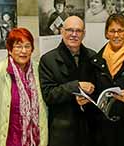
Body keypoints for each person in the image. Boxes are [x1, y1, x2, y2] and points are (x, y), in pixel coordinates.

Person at [80, 14, 124, 146]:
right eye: (112, 31)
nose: (116, 35)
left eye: (121, 31)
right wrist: (84, 100)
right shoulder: (94, 61)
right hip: (101, 132)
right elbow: (92, 95)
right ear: (106, 33)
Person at [0, 28, 48, 146]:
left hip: (35, 141)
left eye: (27, 46)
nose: (23, 51)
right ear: (10, 50)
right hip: (9, 141)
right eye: (18, 46)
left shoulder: (40, 71)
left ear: (32, 49)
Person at [39, 16, 97, 146]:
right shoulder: (48, 60)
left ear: (84, 34)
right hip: (62, 132)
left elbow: (98, 88)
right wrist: (75, 87)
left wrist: (89, 96)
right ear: (62, 31)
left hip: (89, 130)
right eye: (70, 30)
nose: (74, 34)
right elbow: (48, 95)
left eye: (78, 31)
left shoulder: (93, 57)